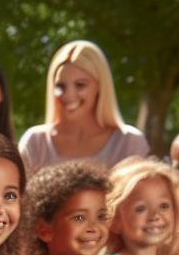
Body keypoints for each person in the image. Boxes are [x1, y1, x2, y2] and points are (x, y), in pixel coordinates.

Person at [18, 41, 148, 175]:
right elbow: (13, 195)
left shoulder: (129, 143)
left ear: (99, 85)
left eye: (80, 85)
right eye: (60, 87)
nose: (69, 95)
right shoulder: (35, 142)